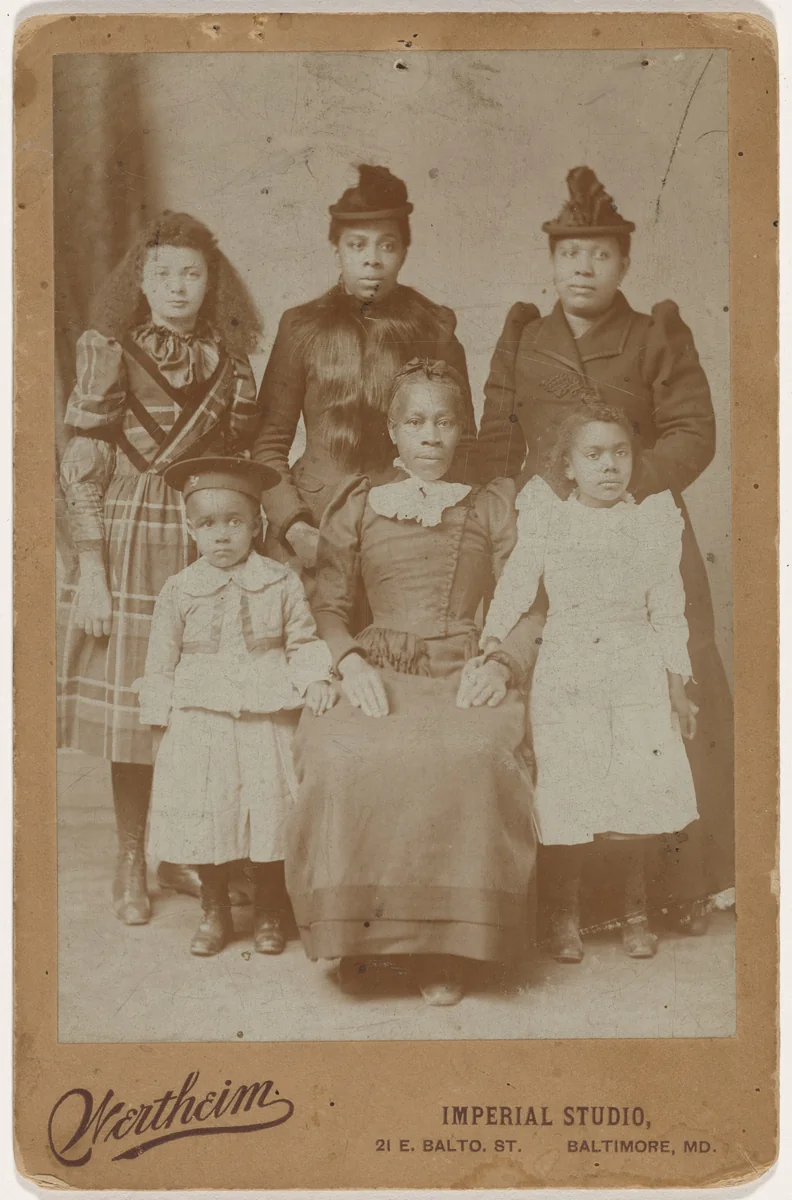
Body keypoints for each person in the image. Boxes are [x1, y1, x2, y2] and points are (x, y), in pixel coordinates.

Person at [474, 166, 734, 931]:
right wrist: (513, 510)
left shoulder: (654, 334)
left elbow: (694, 433)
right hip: (548, 534)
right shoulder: (526, 336)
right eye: (569, 254)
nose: (582, 269)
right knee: (553, 699)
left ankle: (680, 885)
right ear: (551, 262)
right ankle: (553, 894)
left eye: (599, 255)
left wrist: (619, 489)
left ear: (624, 263)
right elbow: (497, 438)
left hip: (638, 527)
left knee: (669, 691)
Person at [286, 360, 537, 1007]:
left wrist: (500, 663)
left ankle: (446, 945)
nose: (430, 436)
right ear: (393, 431)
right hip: (378, 666)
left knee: (469, 755)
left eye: (444, 422)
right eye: (416, 421)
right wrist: (349, 662)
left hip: (465, 668)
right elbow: (327, 605)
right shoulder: (359, 503)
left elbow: (528, 603)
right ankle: (362, 939)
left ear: (461, 431)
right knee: (342, 755)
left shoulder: (490, 504)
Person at [58, 212, 264, 926]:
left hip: (203, 534)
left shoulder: (232, 366)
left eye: (192, 274)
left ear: (212, 284)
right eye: (163, 273)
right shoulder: (110, 354)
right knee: (136, 706)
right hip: (130, 539)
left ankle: (183, 854)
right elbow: (83, 466)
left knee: (195, 702)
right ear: (140, 283)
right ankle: (130, 856)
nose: (178, 287)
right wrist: (91, 570)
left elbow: (242, 462)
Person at [481, 405, 699, 961]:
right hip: (570, 668)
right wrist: (491, 638)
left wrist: (677, 684)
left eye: (620, 453)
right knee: (570, 790)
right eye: (593, 455)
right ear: (569, 466)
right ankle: (564, 917)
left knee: (636, 789)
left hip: (635, 669)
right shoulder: (548, 517)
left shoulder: (651, 521)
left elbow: (668, 610)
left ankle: (634, 912)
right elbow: (517, 584)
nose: (609, 466)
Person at [135, 457, 334, 957]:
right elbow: (160, 664)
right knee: (209, 814)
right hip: (201, 720)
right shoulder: (179, 590)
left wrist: (314, 678)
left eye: (234, 522)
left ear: (256, 525)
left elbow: (302, 640)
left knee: (269, 812)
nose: (221, 534)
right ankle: (214, 909)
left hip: (266, 717)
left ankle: (269, 909)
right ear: (190, 529)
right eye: (207, 524)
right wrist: (160, 726)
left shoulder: (280, 581)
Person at [251, 164, 477, 583]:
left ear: (404, 251)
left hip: (403, 524)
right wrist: (295, 527)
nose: (372, 259)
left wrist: (428, 520)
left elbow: (462, 443)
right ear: (336, 248)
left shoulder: (434, 327)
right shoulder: (300, 326)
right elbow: (267, 445)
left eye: (386, 245)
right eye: (357, 244)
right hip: (311, 524)